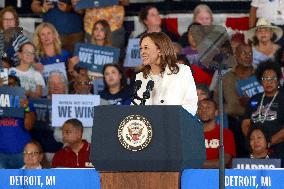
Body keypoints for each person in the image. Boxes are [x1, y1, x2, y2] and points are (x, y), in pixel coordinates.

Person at [134, 32, 198, 115]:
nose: (142, 52)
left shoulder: (182, 71)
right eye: (141, 49)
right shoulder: (141, 77)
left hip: (176, 124)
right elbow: (136, 107)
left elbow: (191, 105)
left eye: (146, 48)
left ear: (160, 50)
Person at [214, 43, 256, 157]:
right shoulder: (226, 77)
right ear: (236, 56)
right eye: (244, 53)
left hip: (255, 122)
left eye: (250, 53)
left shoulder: (259, 75)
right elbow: (216, 101)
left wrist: (251, 103)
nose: (248, 56)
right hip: (231, 123)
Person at [242, 60, 284, 162]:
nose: (268, 82)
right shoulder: (254, 99)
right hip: (255, 150)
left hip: (278, 150)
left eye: (272, 78)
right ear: (260, 81)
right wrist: (253, 142)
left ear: (278, 80)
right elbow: (245, 123)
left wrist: (267, 143)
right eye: (265, 78)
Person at [0, 75, 36, 169]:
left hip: (22, 151)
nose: (10, 87)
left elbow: (29, 126)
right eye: (6, 85)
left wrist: (26, 108)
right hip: (1, 153)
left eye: (13, 84)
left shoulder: (26, 102)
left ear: (18, 87)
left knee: (23, 182)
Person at [198, 98, 236, 168]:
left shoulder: (225, 133)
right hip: (193, 174)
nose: (204, 110)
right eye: (200, 108)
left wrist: (195, 164)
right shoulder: (190, 133)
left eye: (208, 107)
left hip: (216, 175)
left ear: (216, 112)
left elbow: (224, 162)